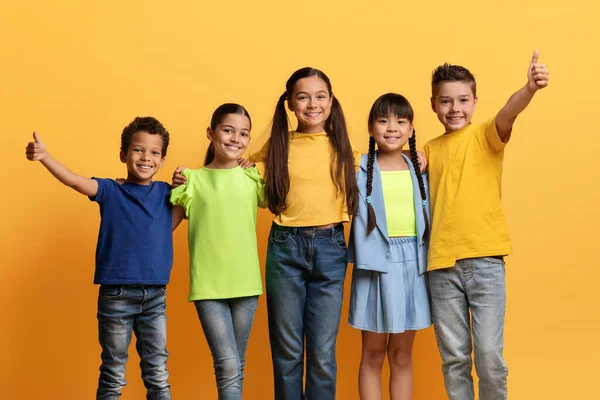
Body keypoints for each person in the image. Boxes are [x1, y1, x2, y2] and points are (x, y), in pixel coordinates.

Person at [25, 116, 184, 400]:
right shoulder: (112, 190)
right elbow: (74, 180)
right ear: (123, 154)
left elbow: (172, 222)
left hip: (156, 295)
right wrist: (45, 157)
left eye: (154, 152)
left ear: (162, 161)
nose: (146, 157)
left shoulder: (166, 193)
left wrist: (185, 182)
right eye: (137, 149)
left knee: (158, 374)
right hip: (117, 295)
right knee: (113, 374)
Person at [425, 51, 549, 400]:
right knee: (454, 359)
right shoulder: (428, 150)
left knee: (490, 357)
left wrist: (529, 88)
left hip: (485, 262)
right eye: (446, 101)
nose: (455, 109)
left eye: (463, 100)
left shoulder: (486, 136)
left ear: (475, 102)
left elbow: (509, 111)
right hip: (441, 266)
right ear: (433, 104)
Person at [170, 103, 265, 400]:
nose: (236, 139)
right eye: (228, 130)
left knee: (237, 364)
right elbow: (162, 227)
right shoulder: (191, 180)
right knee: (226, 364)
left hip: (246, 282)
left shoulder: (252, 177)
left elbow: (279, 200)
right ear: (211, 133)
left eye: (244, 134)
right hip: (208, 285)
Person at [348, 93, 431, 400]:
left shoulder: (420, 168)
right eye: (383, 121)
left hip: (413, 264)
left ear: (411, 129)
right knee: (372, 355)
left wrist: (426, 160)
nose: (392, 128)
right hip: (374, 266)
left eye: (401, 121)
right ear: (371, 128)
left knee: (401, 355)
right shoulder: (358, 168)